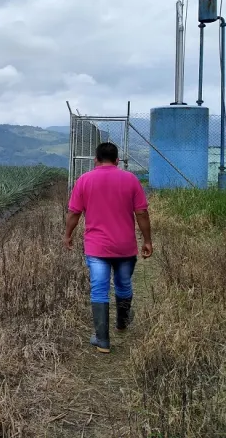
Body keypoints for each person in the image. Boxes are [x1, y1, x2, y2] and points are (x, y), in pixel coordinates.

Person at [65, 142, 152, 354]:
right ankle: (122, 323)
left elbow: (74, 213)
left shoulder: (84, 180)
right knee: (123, 284)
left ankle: (102, 340)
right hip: (125, 246)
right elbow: (141, 213)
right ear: (117, 160)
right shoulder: (131, 179)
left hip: (97, 248)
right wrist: (147, 240)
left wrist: (68, 235)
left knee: (99, 289)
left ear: (95, 159)